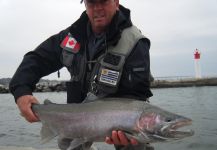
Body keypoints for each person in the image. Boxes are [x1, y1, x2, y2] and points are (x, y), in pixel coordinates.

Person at [9, 0, 153, 149]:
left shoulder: (135, 43)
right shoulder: (71, 37)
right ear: (85, 4)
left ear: (116, 2)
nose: (97, 8)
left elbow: (136, 96)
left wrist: (128, 127)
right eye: (91, 2)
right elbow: (37, 59)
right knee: (68, 145)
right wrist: (21, 91)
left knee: (136, 142)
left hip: (121, 119)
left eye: (103, 1)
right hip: (76, 115)